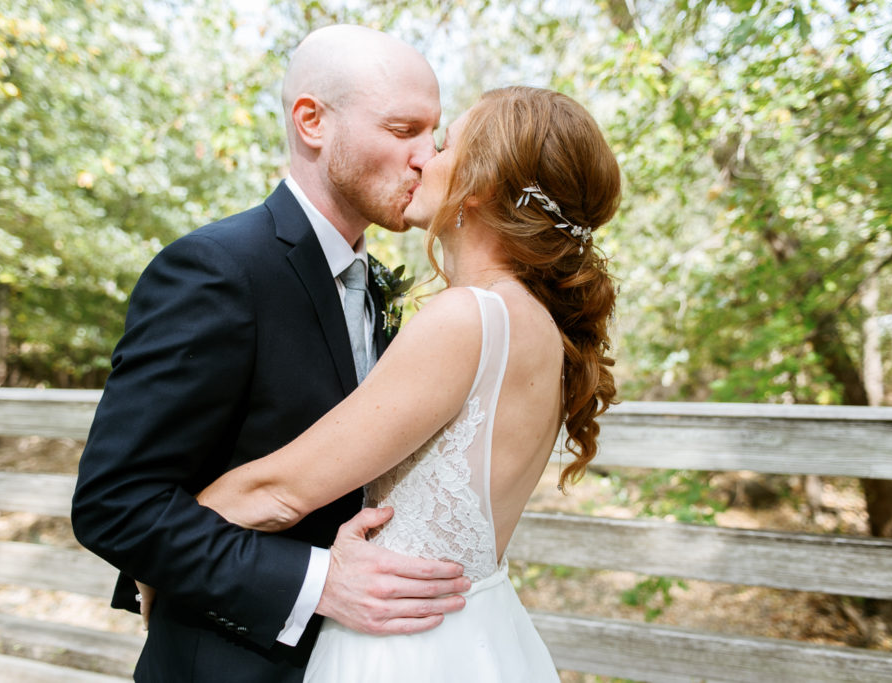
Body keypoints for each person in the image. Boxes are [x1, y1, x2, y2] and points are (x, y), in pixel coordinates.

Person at [70, 25, 472, 682]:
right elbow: (115, 504)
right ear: (312, 122)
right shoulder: (217, 270)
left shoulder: (373, 287)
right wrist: (319, 582)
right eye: (404, 130)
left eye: (435, 133)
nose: (428, 157)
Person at [185, 85, 621, 681]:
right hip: (480, 633)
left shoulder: (468, 317)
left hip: (406, 650)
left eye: (442, 146)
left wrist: (158, 561)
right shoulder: (540, 325)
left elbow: (278, 491)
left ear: (482, 184)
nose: (422, 159)